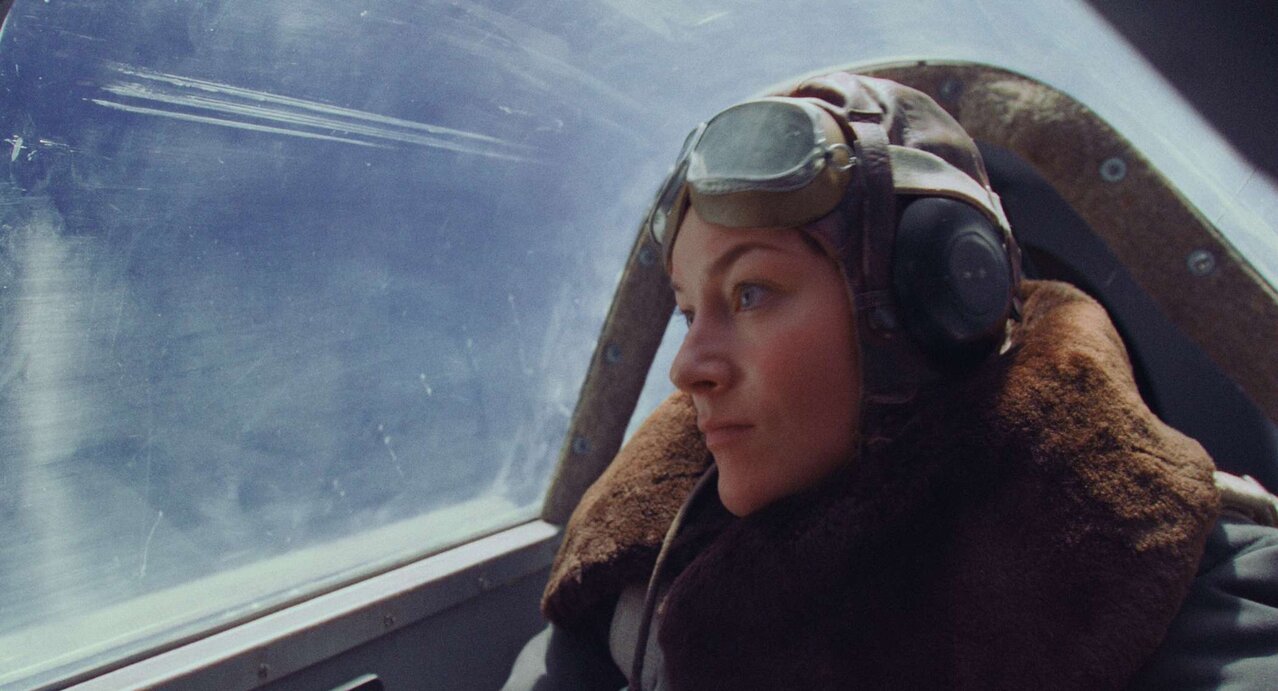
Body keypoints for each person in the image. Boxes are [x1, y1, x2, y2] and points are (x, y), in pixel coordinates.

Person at [503, 72, 1278, 690]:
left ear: (934, 301)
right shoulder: (628, 597)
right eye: (686, 311)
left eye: (750, 293)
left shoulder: (1177, 583)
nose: (686, 367)